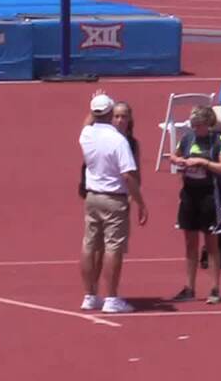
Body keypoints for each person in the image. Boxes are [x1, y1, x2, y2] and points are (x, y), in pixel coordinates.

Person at [79, 92, 147, 314]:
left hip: (92, 197)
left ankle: (90, 295)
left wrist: (94, 104)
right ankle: (111, 297)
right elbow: (128, 176)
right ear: (110, 114)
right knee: (113, 248)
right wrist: (141, 203)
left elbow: (87, 121)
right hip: (114, 198)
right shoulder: (118, 140)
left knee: (89, 245)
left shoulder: (86, 135)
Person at [171, 105, 221, 304]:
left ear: (207, 124)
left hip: (208, 195)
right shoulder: (188, 138)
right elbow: (175, 155)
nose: (194, 129)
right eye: (193, 125)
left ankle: (215, 288)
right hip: (189, 193)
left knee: (211, 242)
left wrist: (202, 162)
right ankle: (189, 287)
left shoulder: (219, 141)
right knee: (190, 242)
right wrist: (180, 161)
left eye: (197, 125)